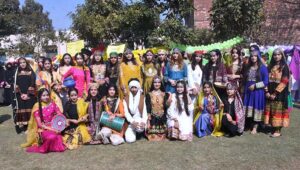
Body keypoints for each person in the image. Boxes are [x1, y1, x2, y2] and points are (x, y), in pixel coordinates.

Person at [23, 88, 65, 153]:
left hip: (54, 126)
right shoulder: (37, 106)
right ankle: (46, 147)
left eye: (47, 95)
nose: (46, 97)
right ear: (39, 97)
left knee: (58, 137)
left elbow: (60, 114)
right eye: (43, 95)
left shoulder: (52, 104)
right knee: (52, 137)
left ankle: (52, 147)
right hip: (44, 128)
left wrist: (64, 121)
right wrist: (53, 129)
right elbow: (40, 125)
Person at [264, 49, 290, 137]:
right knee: (271, 110)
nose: (276, 56)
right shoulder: (270, 66)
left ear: (282, 56)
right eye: (275, 55)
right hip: (269, 91)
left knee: (277, 111)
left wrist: (275, 93)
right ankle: (273, 128)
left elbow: (284, 81)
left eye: (279, 54)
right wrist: (267, 91)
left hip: (280, 93)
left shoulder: (284, 67)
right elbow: (266, 80)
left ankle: (278, 131)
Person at [243, 50, 269, 134]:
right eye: (252, 56)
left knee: (256, 108)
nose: (253, 57)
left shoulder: (263, 68)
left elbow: (266, 82)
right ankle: (248, 125)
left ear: (258, 57)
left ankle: (255, 127)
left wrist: (255, 85)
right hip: (248, 91)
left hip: (257, 92)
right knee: (248, 109)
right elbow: (245, 79)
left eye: (255, 56)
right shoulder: (248, 67)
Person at [13, 57, 36, 133]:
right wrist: (20, 94)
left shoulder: (30, 72)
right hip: (20, 95)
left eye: (24, 62)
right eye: (21, 63)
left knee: (30, 109)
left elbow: (33, 83)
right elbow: (16, 84)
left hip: (30, 95)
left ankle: (31, 126)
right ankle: (25, 127)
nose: (22, 64)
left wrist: (27, 94)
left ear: (27, 63)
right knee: (23, 109)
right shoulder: (17, 73)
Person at [145, 76, 170, 141]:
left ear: (161, 83)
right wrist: (148, 120)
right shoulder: (149, 94)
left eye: (159, 82)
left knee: (163, 134)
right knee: (152, 136)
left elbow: (166, 107)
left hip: (162, 118)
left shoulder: (165, 94)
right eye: (155, 82)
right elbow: (148, 107)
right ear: (152, 83)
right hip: (153, 118)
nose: (157, 84)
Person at [123, 79, 147, 143]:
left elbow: (145, 111)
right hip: (130, 123)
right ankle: (134, 133)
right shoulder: (126, 98)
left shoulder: (142, 98)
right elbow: (126, 113)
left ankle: (138, 132)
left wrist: (144, 122)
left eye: (135, 87)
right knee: (129, 140)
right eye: (132, 88)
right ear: (130, 89)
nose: (133, 89)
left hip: (139, 120)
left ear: (138, 88)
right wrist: (132, 122)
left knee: (139, 128)